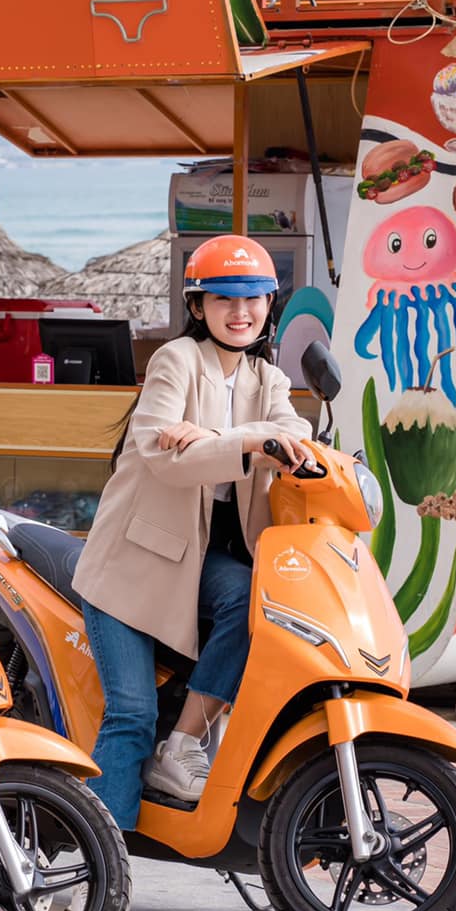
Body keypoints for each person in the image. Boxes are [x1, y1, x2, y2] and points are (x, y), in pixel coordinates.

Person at [69, 235, 313, 831]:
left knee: (255, 598)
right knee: (131, 714)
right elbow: (163, 454)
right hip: (132, 569)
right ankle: (98, 863)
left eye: (253, 298)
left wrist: (216, 438)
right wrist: (251, 442)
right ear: (198, 306)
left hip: (200, 563)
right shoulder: (176, 360)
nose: (240, 312)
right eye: (224, 299)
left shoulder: (267, 377)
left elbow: (295, 436)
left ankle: (181, 747)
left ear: (270, 305)